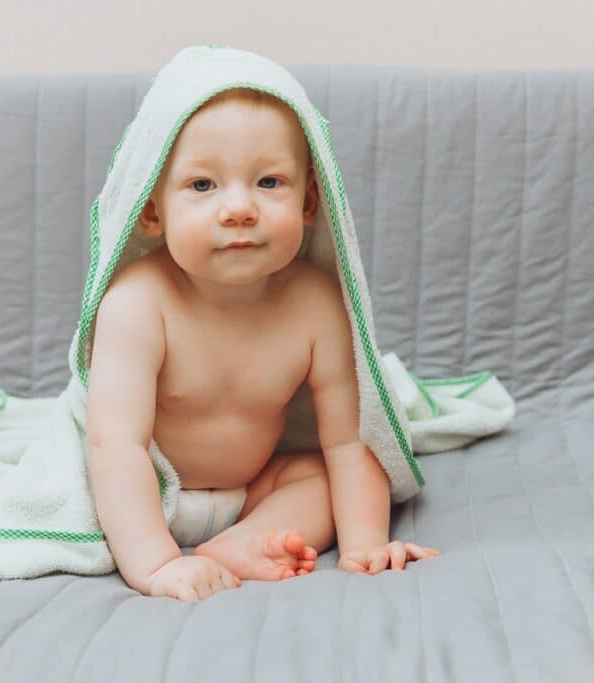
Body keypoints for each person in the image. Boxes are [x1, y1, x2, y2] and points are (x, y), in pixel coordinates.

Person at [85, 87, 440, 602]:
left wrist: (365, 544)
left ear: (309, 203)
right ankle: (166, 550)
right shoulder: (138, 303)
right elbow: (114, 446)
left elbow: (347, 438)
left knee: (323, 474)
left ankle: (239, 543)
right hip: (148, 494)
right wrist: (157, 565)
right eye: (202, 184)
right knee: (105, 472)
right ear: (152, 212)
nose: (238, 209)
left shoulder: (316, 304)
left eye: (268, 181)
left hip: (251, 491)